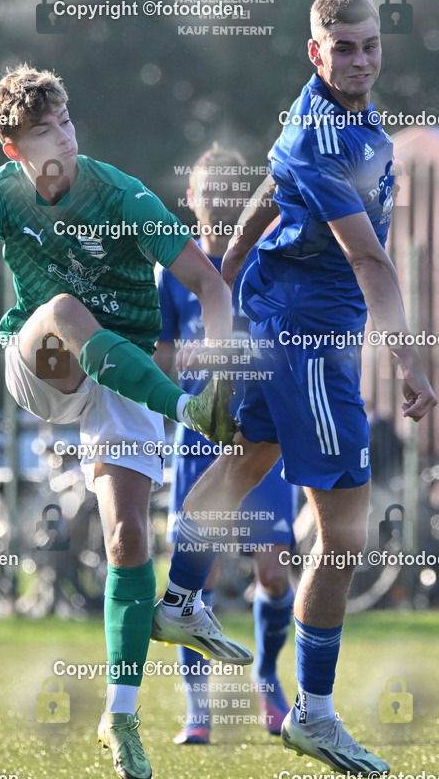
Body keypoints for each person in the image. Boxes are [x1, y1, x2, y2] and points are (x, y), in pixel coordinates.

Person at [0, 62, 242, 779]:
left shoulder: (120, 193)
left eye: (63, 122)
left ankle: (120, 718)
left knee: (128, 537)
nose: (60, 139)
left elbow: (206, 283)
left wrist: (218, 358)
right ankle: (191, 411)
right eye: (41, 132)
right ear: (14, 149)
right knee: (64, 312)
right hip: (43, 363)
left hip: (121, 372)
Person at [152, 0, 437, 776]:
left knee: (247, 457)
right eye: (341, 47)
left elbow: (266, 193)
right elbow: (370, 262)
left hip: (270, 315)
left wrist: (228, 268)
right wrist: (409, 361)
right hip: (308, 341)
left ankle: (177, 602)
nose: (359, 59)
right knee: (344, 528)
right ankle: (312, 712)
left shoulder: (312, 112)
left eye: (369, 45)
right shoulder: (327, 137)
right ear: (315, 53)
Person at [154, 143, 296, 743]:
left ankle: (266, 677)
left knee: (272, 572)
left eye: (230, 197)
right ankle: (198, 708)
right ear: (192, 201)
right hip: (197, 442)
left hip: (259, 437)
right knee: (199, 580)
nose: (219, 205)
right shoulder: (176, 273)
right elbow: (159, 351)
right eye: (209, 196)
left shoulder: (263, 263)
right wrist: (181, 367)